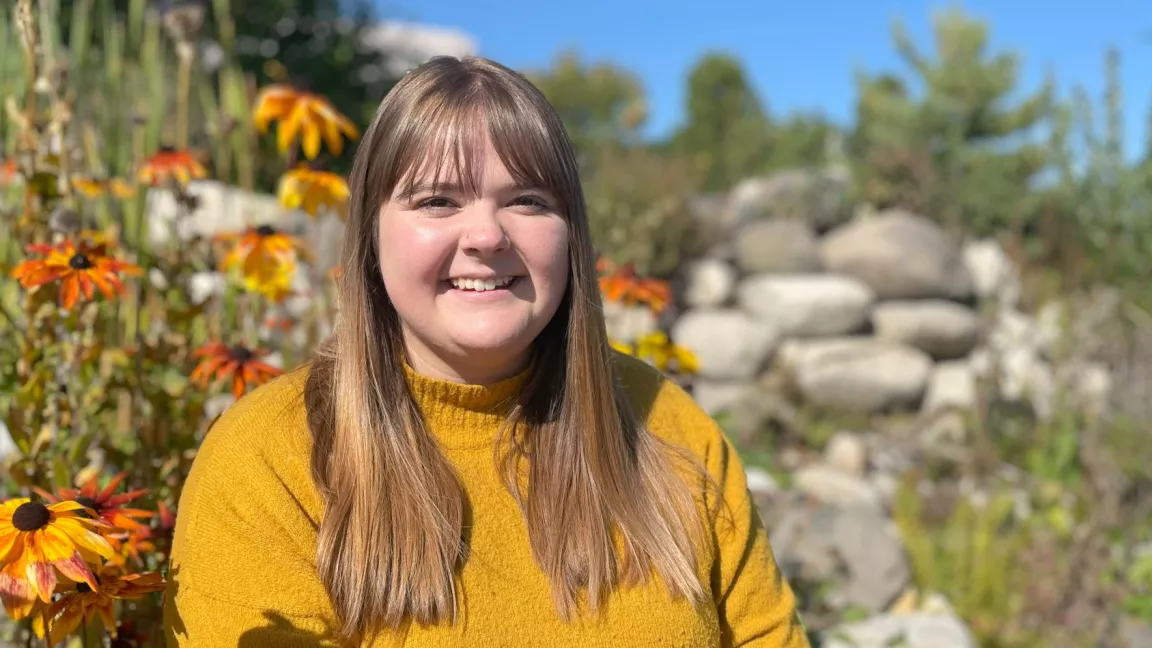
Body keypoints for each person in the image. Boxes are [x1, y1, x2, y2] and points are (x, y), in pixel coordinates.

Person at [163, 55, 809, 648]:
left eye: (527, 201)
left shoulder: (663, 427)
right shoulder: (267, 461)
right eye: (437, 200)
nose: (486, 236)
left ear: (571, 236)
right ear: (369, 235)